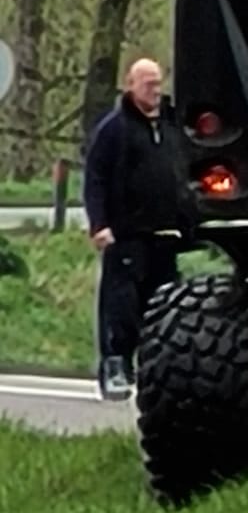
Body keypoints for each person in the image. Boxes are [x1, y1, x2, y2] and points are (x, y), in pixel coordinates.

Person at [82, 57, 195, 400]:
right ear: (131, 85)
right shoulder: (115, 129)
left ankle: (160, 372)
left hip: (165, 236)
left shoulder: (173, 125)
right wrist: (99, 225)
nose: (156, 90)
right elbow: (95, 178)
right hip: (127, 235)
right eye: (148, 84)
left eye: (159, 83)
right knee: (122, 306)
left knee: (164, 308)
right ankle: (116, 365)